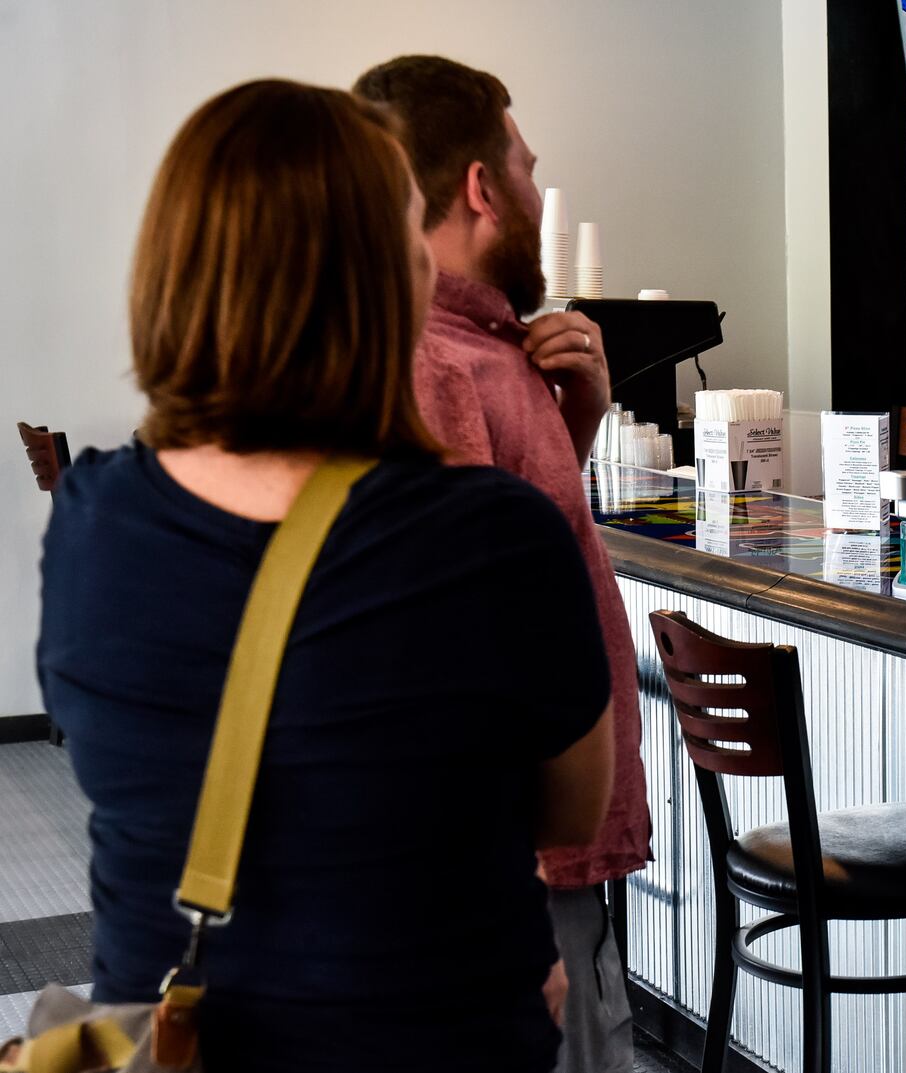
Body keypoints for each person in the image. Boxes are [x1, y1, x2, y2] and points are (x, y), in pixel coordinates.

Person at [36, 80, 613, 1072]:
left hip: (165, 1042)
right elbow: (569, 810)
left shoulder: (92, 519)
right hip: (432, 1034)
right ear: (387, 274)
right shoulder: (489, 536)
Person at [353, 56, 650, 1073]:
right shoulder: (438, 366)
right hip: (515, 866)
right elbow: (454, 655)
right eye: (526, 167)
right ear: (482, 186)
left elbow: (508, 565)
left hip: (524, 855)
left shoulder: (483, 353)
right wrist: (498, 898)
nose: (534, 189)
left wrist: (580, 420)